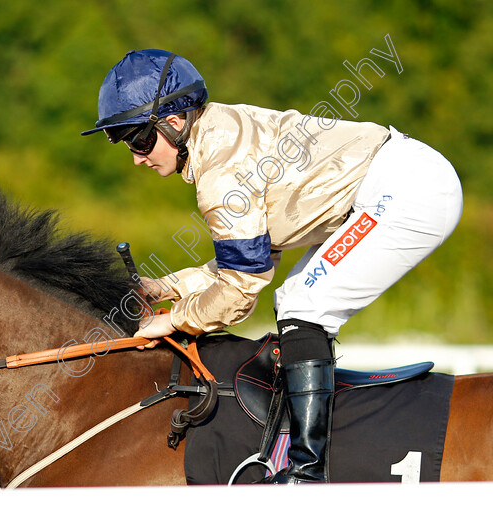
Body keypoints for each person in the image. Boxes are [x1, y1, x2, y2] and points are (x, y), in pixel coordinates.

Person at [81, 49, 463, 483]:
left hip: (406, 190)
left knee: (305, 306)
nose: (136, 157)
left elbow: (241, 286)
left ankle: (305, 474)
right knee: (296, 302)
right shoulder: (219, 133)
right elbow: (248, 258)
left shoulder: (222, 173)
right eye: (125, 143)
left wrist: (174, 321)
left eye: (137, 138)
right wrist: (166, 287)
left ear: (174, 121)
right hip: (401, 179)